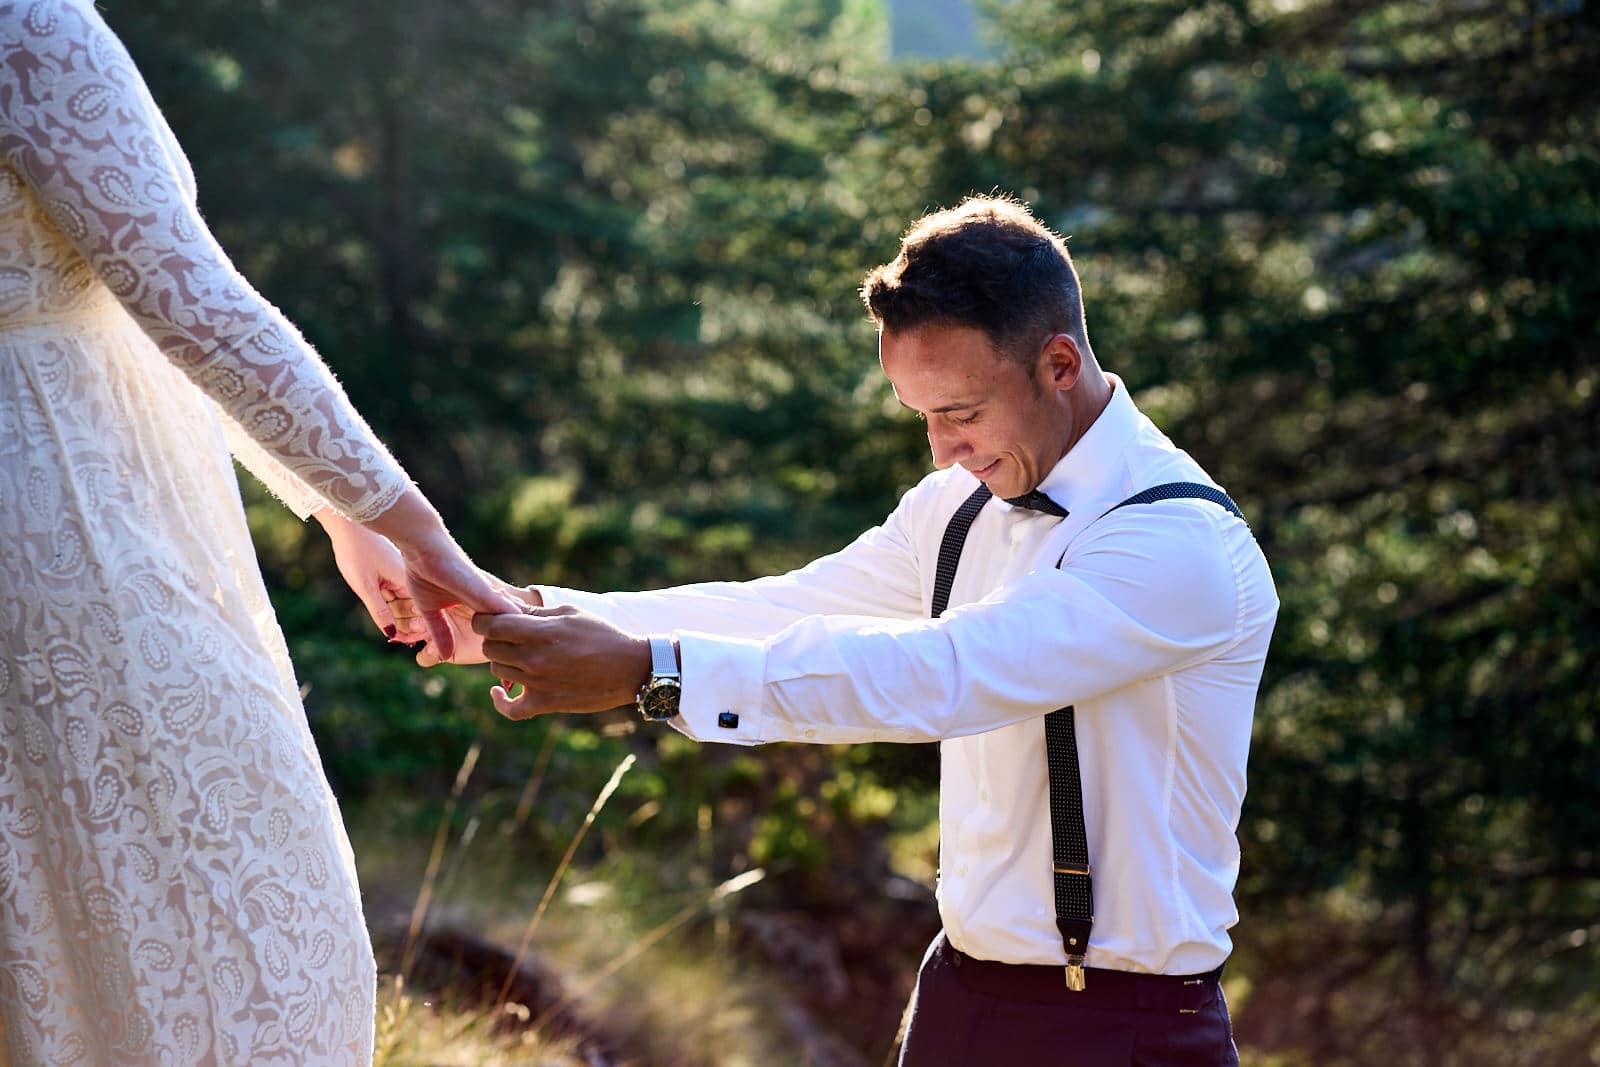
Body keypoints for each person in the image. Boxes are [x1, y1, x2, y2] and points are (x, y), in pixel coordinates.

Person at [433, 194, 1279, 1065]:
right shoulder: (958, 502)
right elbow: (792, 605)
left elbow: (942, 673)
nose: (941, 450)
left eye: (961, 411)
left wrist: (654, 673)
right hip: (956, 998)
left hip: (1121, 1029)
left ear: (1059, 363)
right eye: (921, 415)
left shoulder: (1176, 543)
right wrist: (523, 616)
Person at [0, 1, 519, 1063]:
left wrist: (330, 504)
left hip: (65, 497)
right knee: (222, 925)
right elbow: (192, 305)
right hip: (69, 529)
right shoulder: (26, 27)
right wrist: (414, 525)